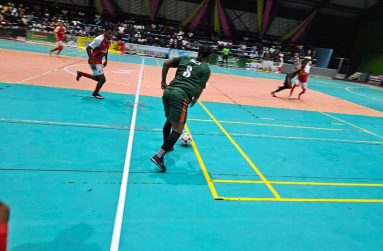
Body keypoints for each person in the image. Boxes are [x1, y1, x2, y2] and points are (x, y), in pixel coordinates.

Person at [150, 45, 212, 172]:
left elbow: (166, 63)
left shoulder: (186, 58)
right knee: (178, 130)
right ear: (209, 56)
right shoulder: (206, 69)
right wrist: (195, 99)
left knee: (169, 120)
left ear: (198, 52)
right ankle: (158, 156)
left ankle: (167, 144)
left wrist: (163, 81)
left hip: (168, 92)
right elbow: (200, 88)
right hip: (181, 95)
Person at [76, 27, 113, 99]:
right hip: (94, 61)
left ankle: (81, 73)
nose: (111, 35)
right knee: (102, 80)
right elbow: (88, 48)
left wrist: (106, 60)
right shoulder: (99, 39)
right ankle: (95, 93)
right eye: (109, 33)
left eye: (112, 34)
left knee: (98, 78)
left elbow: (106, 50)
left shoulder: (109, 40)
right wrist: (92, 61)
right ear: (105, 32)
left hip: (99, 61)